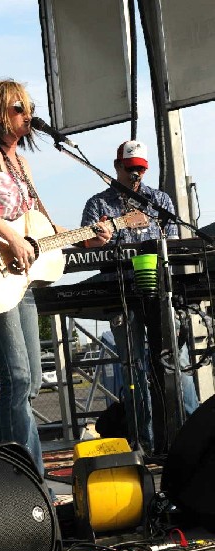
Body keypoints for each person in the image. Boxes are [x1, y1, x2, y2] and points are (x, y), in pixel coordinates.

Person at [0, 78, 85, 491]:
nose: (26, 115)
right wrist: (9, 238)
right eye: (17, 108)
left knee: (31, 381)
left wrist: (86, 234)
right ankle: (33, 480)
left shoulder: (22, 166)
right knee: (17, 378)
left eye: (28, 107)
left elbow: (38, 226)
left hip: (20, 281)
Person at [81, 140, 199, 453]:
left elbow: (172, 247)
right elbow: (85, 248)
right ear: (117, 166)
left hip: (160, 293)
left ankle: (186, 439)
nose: (136, 174)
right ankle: (141, 442)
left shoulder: (159, 200)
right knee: (132, 367)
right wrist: (98, 239)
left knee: (175, 361)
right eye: (130, 168)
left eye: (140, 169)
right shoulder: (98, 205)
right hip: (120, 294)